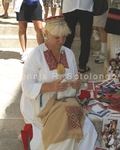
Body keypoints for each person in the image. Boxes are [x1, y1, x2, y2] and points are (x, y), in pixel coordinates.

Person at [20, 15, 97, 150]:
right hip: (42, 106)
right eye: (57, 37)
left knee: (83, 127)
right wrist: (51, 87)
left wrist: (76, 85)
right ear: (47, 34)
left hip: (66, 101)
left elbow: (73, 84)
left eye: (64, 37)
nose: (61, 41)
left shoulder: (68, 54)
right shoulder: (36, 55)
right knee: (66, 125)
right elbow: (26, 86)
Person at [62, 0, 94, 73]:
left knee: (68, 37)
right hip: (86, 6)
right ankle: (82, 66)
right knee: (85, 38)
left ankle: (63, 63)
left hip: (69, 6)